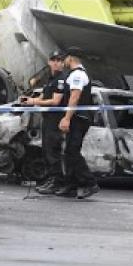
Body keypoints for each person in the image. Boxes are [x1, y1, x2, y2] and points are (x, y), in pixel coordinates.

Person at [56, 46, 100, 199]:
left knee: (72, 151)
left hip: (78, 118)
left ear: (71, 58)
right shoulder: (76, 74)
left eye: (65, 58)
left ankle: (89, 183)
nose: (63, 61)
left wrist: (67, 118)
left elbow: (74, 97)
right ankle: (71, 185)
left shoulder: (78, 75)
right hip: (77, 118)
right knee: (69, 152)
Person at [22, 50, 68, 195]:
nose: (56, 63)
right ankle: (51, 179)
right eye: (53, 60)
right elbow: (44, 95)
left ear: (63, 63)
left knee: (53, 151)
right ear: (49, 62)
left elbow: (55, 101)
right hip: (47, 119)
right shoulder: (51, 79)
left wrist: (34, 101)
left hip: (56, 120)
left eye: (59, 60)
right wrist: (29, 100)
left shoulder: (61, 79)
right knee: (47, 150)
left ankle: (57, 181)